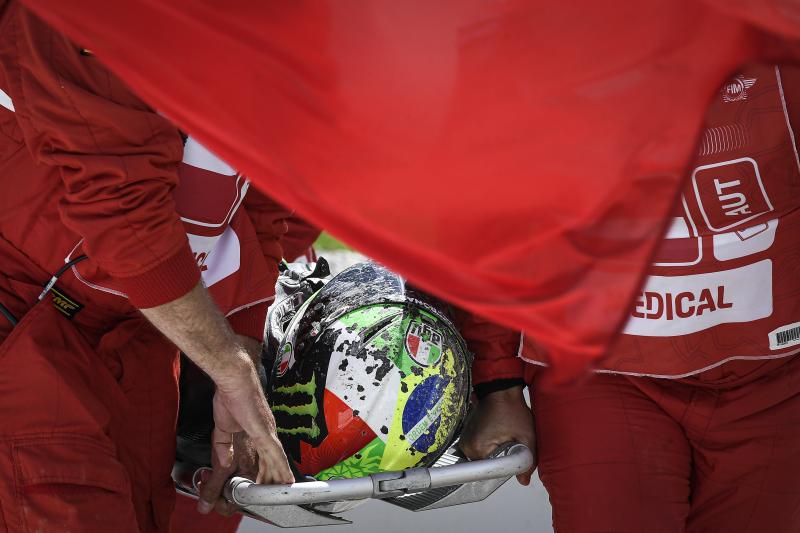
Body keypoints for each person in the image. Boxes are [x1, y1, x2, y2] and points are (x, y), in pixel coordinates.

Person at [460, 64, 800, 532]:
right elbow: (486, 223)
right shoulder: (529, 52)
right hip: (600, 373)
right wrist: (498, 388)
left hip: (773, 381)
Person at [0, 4, 293, 531]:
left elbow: (263, 193)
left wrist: (240, 345)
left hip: (146, 336)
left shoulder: (286, 27)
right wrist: (229, 366)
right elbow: (121, 209)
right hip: (25, 321)